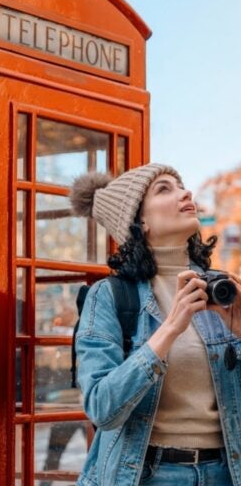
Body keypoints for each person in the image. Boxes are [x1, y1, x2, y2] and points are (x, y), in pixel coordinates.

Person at [70, 163, 241, 485]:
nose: (185, 193)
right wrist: (169, 329)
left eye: (181, 186)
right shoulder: (110, 296)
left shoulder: (221, 289)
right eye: (164, 189)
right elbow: (101, 408)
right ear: (140, 220)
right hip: (146, 474)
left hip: (227, 472)